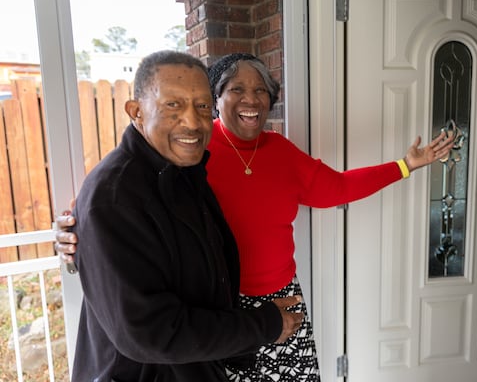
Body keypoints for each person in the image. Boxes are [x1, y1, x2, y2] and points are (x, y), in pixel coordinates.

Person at [56, 53, 455, 382]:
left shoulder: (269, 152)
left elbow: (339, 187)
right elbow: (116, 197)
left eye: (261, 90)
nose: (251, 99)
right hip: (216, 311)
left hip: (280, 301)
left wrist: (405, 165)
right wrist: (72, 232)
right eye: (238, 89)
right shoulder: (189, 147)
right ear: (220, 97)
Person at [65, 50, 303, 382]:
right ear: (136, 111)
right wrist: (263, 325)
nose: (192, 121)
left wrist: (403, 167)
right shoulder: (114, 197)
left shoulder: (184, 172)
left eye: (202, 106)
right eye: (173, 105)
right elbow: (151, 332)